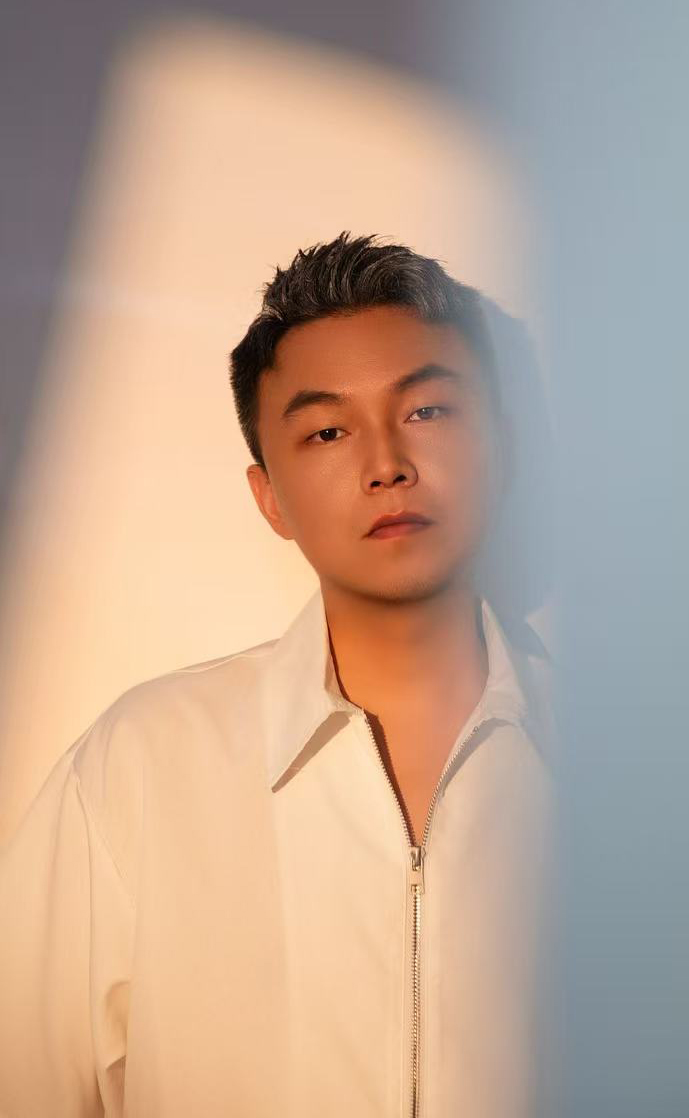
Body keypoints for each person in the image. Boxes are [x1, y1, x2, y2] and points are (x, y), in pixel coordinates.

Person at [0, 232, 553, 1117]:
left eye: (427, 411)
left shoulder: (638, 762)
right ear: (270, 498)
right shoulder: (138, 768)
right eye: (328, 431)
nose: (386, 465)